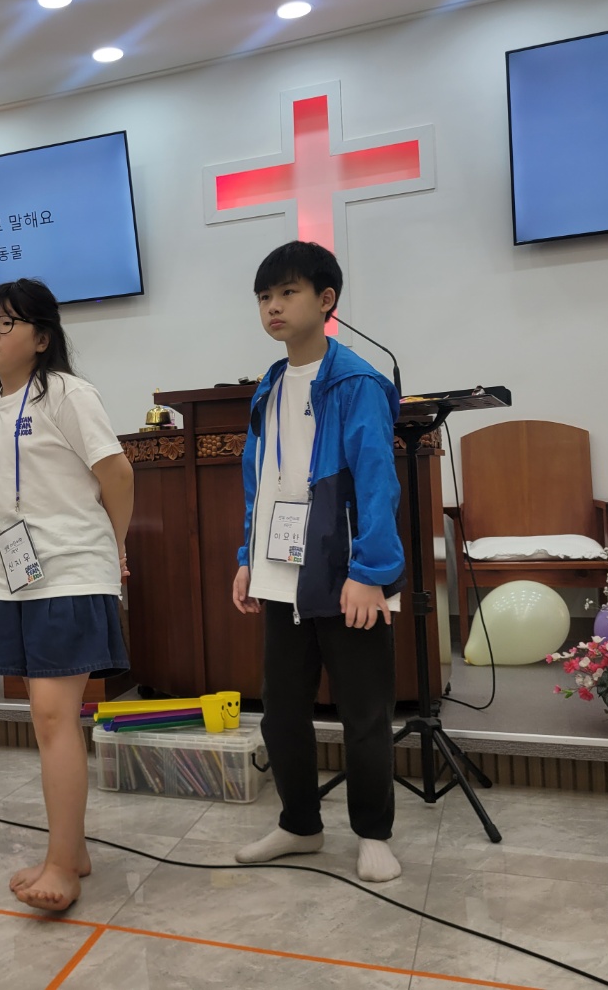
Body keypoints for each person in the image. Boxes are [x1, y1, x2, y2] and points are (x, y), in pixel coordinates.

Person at [230, 240, 405, 883]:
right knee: (281, 714)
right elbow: (259, 482)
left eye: (288, 292)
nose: (273, 307)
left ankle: (374, 834)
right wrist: (248, 558)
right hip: (282, 573)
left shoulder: (357, 381)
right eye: (264, 297)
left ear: (326, 300)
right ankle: (300, 824)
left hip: (346, 572)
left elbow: (378, 482)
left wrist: (369, 573)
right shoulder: (270, 386)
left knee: (363, 715)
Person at [0, 278, 133, 911]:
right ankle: (74, 851)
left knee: (51, 716)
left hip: (70, 573)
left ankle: (62, 864)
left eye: (6, 322)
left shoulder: (67, 393)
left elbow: (117, 473)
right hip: (17, 581)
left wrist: (114, 547)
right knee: (45, 719)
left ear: (42, 338)